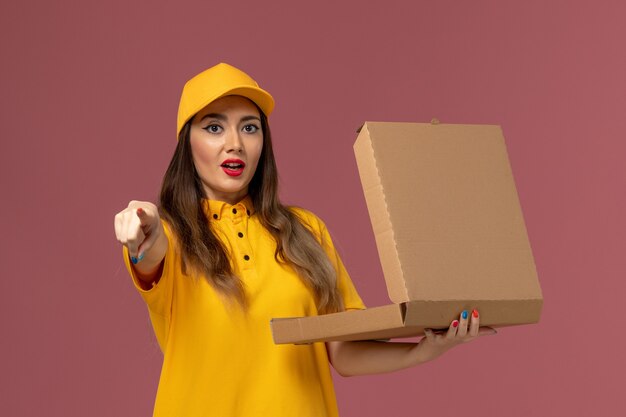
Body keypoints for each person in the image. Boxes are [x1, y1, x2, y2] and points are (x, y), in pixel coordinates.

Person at [114, 63, 495, 417]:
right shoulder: (172, 235)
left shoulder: (306, 231)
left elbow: (343, 352)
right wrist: (142, 232)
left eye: (249, 127)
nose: (235, 144)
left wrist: (426, 349)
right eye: (214, 128)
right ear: (187, 143)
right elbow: (150, 255)